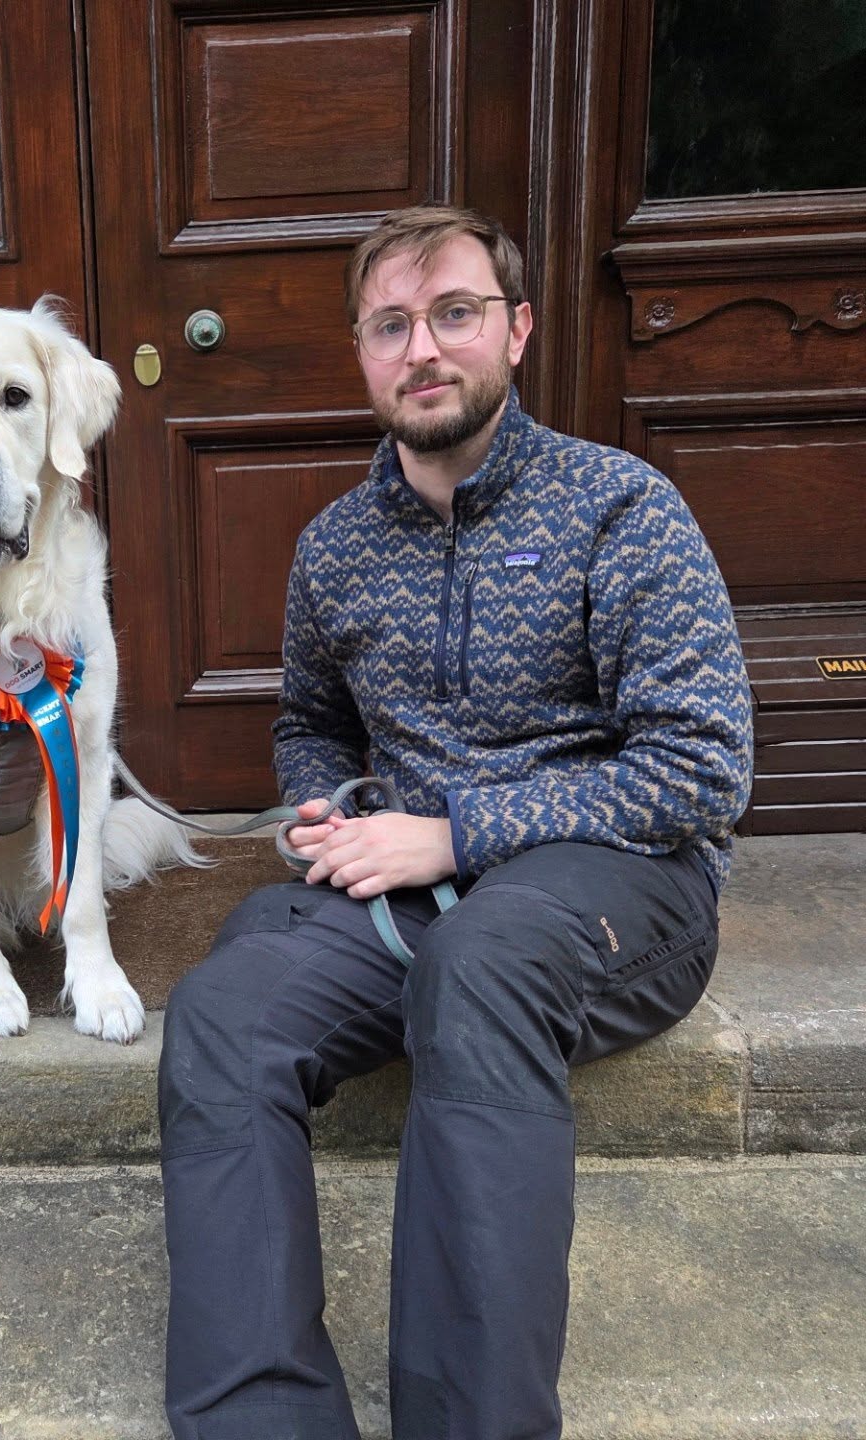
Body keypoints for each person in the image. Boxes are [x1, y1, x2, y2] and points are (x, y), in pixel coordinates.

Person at [156, 204, 754, 1440]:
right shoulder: (332, 549)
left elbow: (702, 769)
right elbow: (310, 725)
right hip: (403, 890)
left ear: (517, 330)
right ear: (363, 354)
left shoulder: (620, 509)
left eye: (454, 313)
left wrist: (458, 833)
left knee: (480, 969)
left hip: (614, 888)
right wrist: (329, 807)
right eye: (391, 324)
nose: (423, 348)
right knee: (222, 1015)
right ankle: (264, 1421)